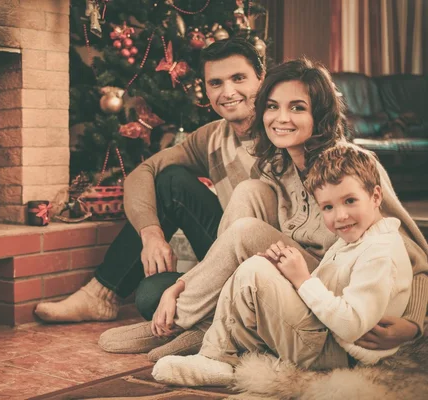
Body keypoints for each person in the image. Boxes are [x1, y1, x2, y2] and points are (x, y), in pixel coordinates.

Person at [99, 58, 428, 363]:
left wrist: (414, 325)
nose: (281, 118)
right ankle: (204, 324)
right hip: (295, 287)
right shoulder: (276, 167)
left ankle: (182, 321)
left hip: (339, 298)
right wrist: (177, 280)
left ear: (320, 115)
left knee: (245, 230)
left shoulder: (350, 167)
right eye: (272, 107)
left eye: (297, 108)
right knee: (249, 192)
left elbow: (415, 254)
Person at [34, 38, 264, 326]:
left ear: (261, 78)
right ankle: (101, 295)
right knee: (150, 295)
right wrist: (151, 235)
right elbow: (143, 173)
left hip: (270, 263)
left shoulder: (284, 127)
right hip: (226, 256)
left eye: (239, 78)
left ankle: (232, 314)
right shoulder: (212, 137)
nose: (228, 92)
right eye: (216, 83)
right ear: (206, 89)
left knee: (161, 299)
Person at [152, 142, 414, 386]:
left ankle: (215, 358)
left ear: (376, 196)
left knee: (255, 273)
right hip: (327, 335)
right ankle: (219, 353)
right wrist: (285, 277)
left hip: (337, 351)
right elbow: (330, 288)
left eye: (350, 201)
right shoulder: (357, 238)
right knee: (257, 267)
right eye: (328, 207)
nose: (341, 216)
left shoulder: (379, 252)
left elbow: (351, 324)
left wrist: (301, 279)